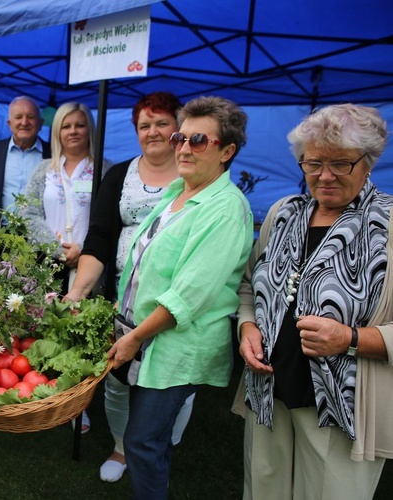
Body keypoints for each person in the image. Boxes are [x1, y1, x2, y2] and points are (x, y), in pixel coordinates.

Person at [235, 104, 393, 500]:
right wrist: (248, 327)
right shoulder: (283, 213)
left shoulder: (387, 224)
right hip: (269, 393)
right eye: (313, 162)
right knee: (263, 490)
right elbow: (248, 286)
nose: (324, 176)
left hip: (346, 410)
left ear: (368, 161)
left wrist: (351, 339)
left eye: (340, 163)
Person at [108, 96, 253, 499]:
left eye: (198, 141)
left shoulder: (225, 209)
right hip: (146, 337)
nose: (184, 148)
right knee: (148, 441)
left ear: (227, 152)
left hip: (174, 346)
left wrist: (135, 336)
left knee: (142, 441)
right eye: (180, 138)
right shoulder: (179, 192)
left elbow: (188, 294)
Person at [64, 92, 194, 483]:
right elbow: (100, 236)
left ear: (179, 129)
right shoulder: (119, 174)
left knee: (174, 383)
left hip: (178, 301)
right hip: (122, 296)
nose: (153, 132)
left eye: (162, 123)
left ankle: (161, 443)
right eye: (144, 125)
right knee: (119, 378)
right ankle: (121, 447)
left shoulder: (196, 173)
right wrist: (78, 291)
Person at [23, 102, 111, 293]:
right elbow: (29, 214)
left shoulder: (105, 171)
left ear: (90, 129)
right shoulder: (42, 170)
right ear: (57, 132)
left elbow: (109, 220)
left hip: (90, 262)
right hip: (48, 263)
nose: (73, 131)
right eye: (66, 126)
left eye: (80, 125)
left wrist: (83, 248)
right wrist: (56, 249)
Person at [0, 96, 50, 227]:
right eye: (18, 117)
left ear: (40, 124)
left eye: (30, 117)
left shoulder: (54, 154)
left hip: (41, 236)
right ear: (9, 124)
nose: (24, 122)